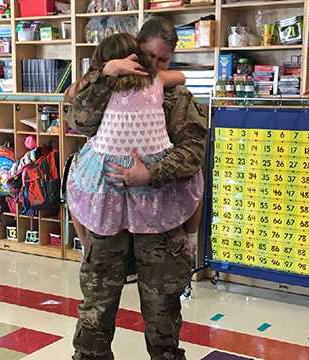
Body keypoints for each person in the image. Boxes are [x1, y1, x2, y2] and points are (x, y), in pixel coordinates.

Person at [66, 16, 207, 360]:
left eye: (163, 61)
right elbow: (78, 121)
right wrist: (104, 75)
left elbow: (194, 152)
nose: (155, 66)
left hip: (160, 216)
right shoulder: (111, 83)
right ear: (135, 48)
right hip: (108, 214)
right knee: (97, 309)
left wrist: (152, 173)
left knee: (162, 311)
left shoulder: (174, 93)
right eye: (150, 57)